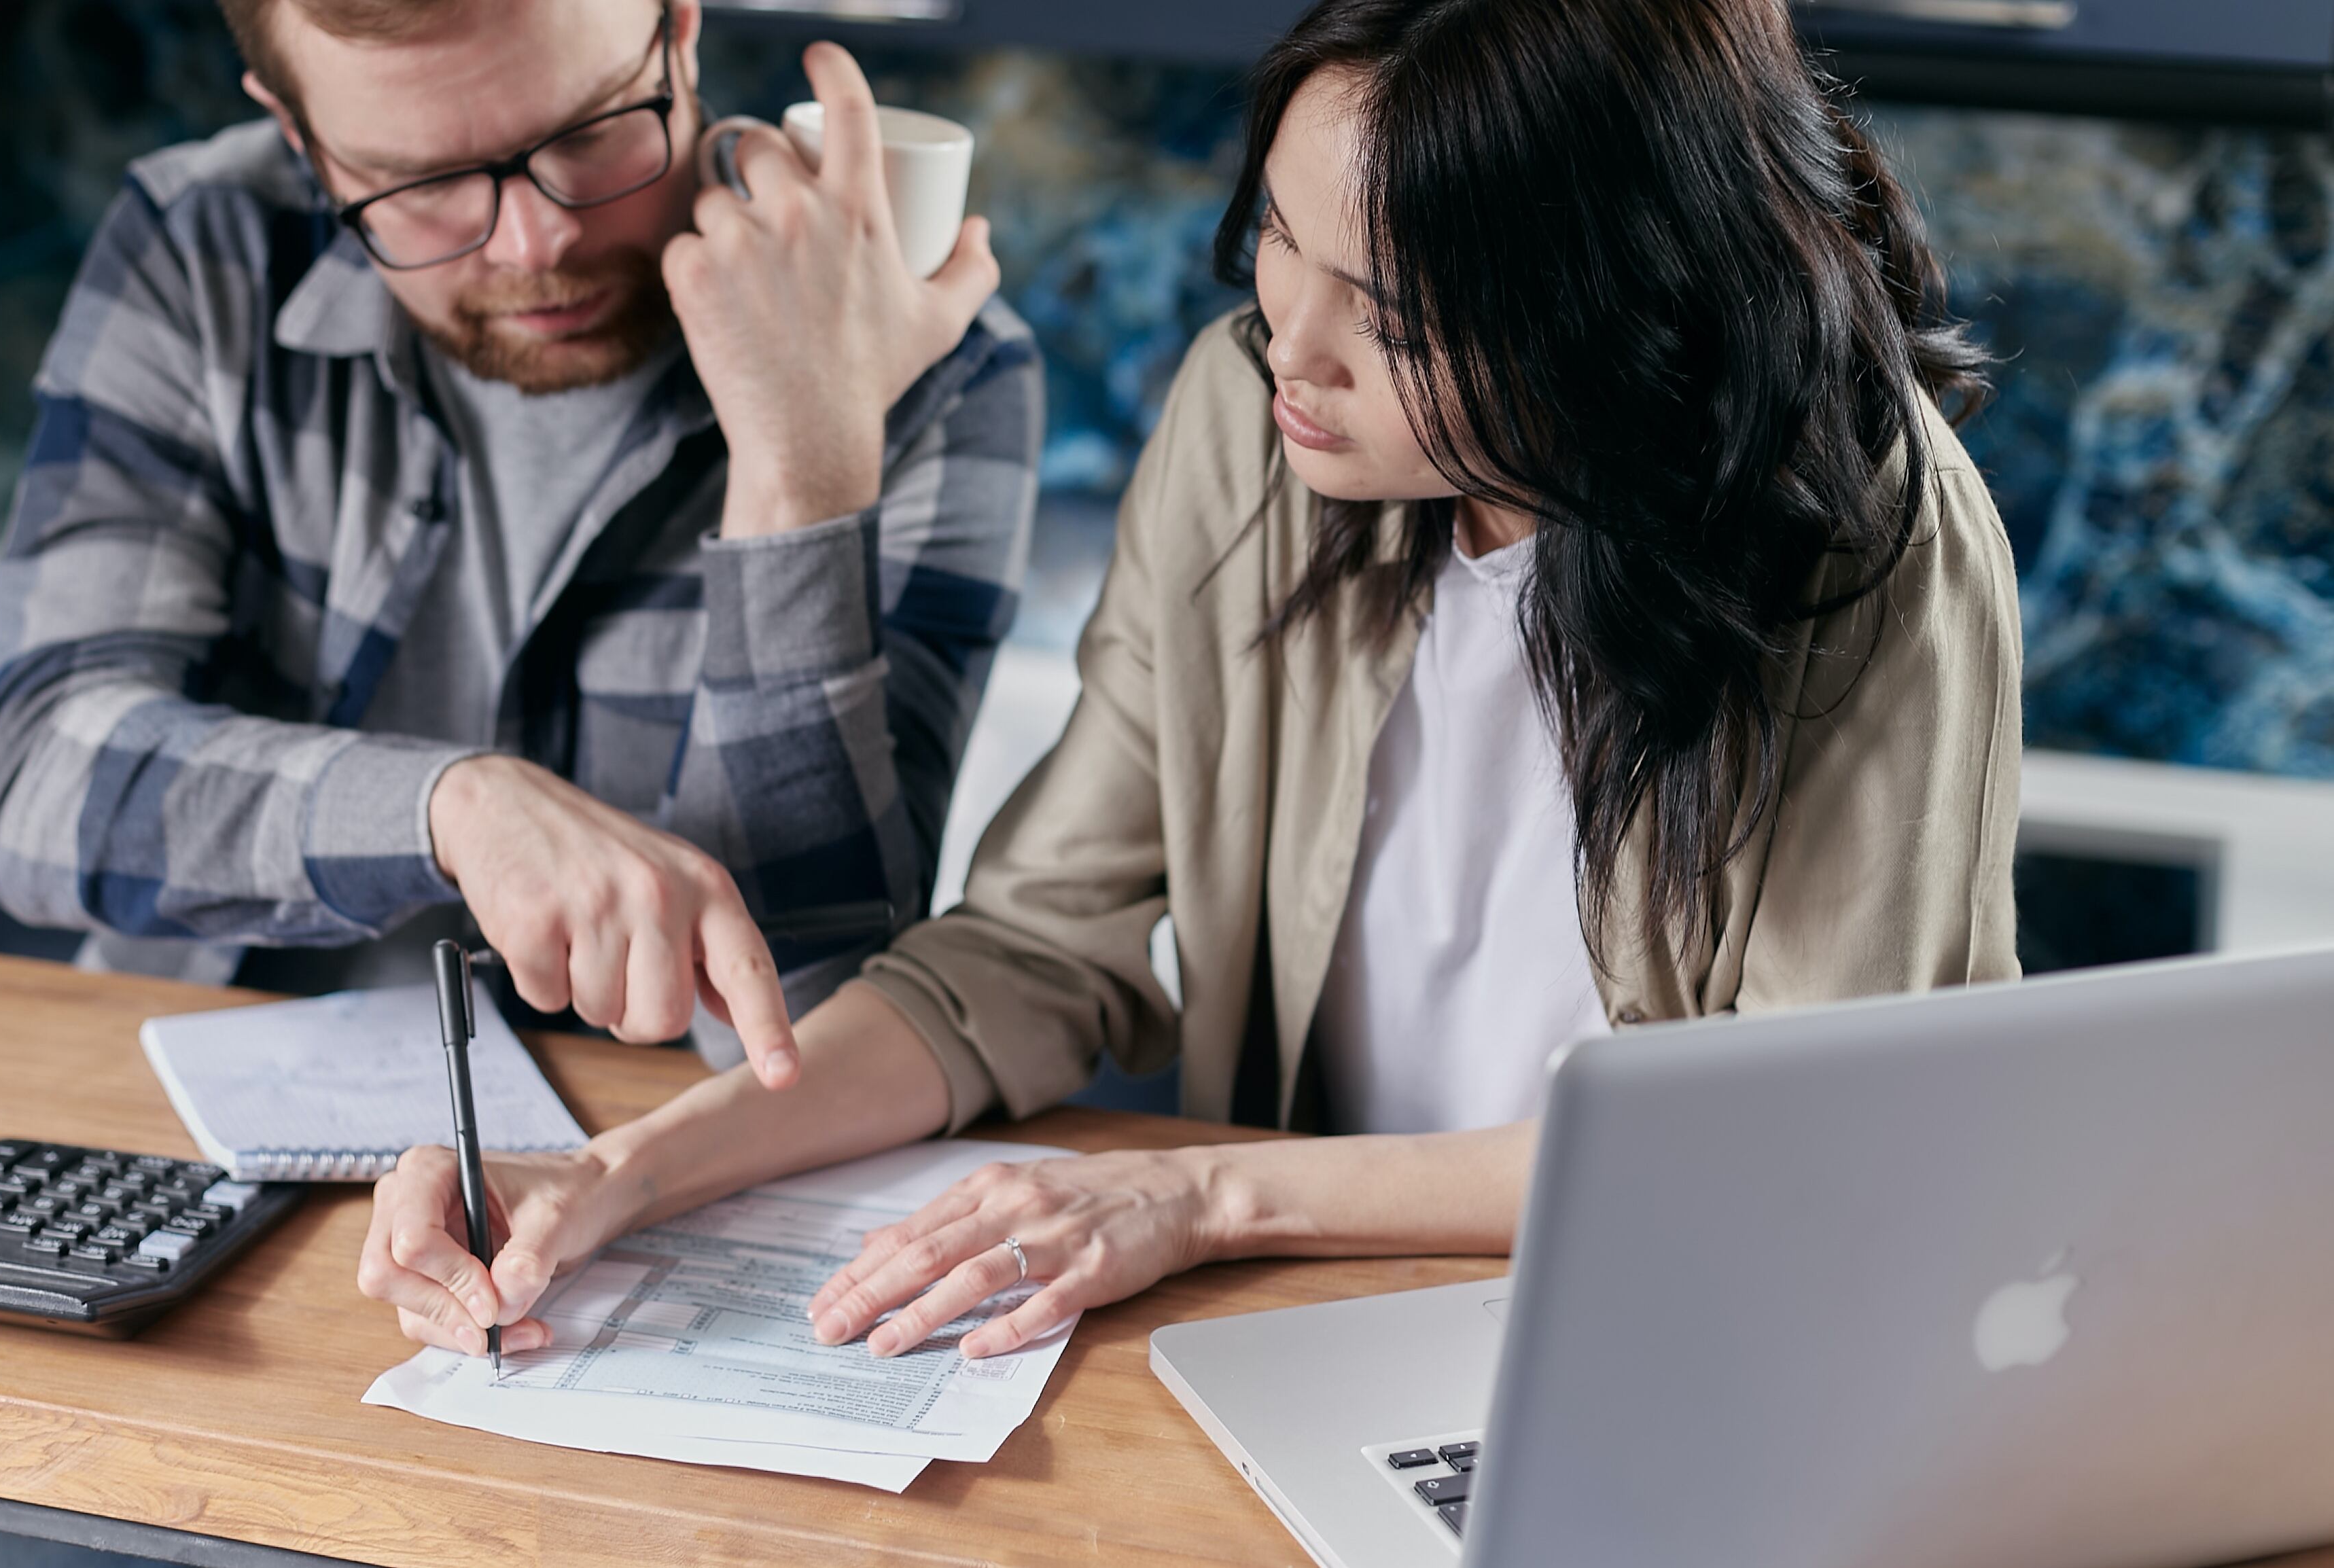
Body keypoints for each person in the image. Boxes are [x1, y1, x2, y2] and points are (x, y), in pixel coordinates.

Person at [358, 0, 2021, 1374]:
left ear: (1612, 311)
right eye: (1281, 244)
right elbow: (1025, 949)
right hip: (1306, 1329)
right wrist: (619, 1174)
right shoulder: (1251, 427)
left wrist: (1210, 1198)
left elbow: (1786, 1147)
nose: (1287, 343)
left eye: (1392, 317)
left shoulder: (1870, 536)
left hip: (1692, 1344)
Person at [0, 0, 1041, 1074]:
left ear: (679, 32)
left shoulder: (930, 361)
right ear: (300, 136)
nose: (540, 241)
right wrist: (449, 810)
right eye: (423, 183)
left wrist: (801, 475)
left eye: (590, 132)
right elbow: (37, 790)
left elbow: (812, 1028)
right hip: (198, 1097)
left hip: (657, 1161)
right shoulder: (204, 246)